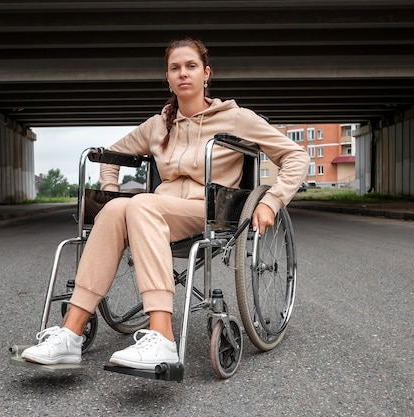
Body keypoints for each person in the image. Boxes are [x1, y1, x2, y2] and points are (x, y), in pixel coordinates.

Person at [21, 38, 310, 370]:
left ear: (206, 74)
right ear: (168, 78)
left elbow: (295, 156)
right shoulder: (158, 125)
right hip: (157, 212)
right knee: (116, 208)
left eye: (191, 66)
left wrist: (272, 200)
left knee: (141, 205)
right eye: (175, 68)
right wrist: (110, 190)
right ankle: (69, 336)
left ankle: (162, 338)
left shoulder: (236, 118)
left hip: (209, 211)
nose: (183, 73)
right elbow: (109, 157)